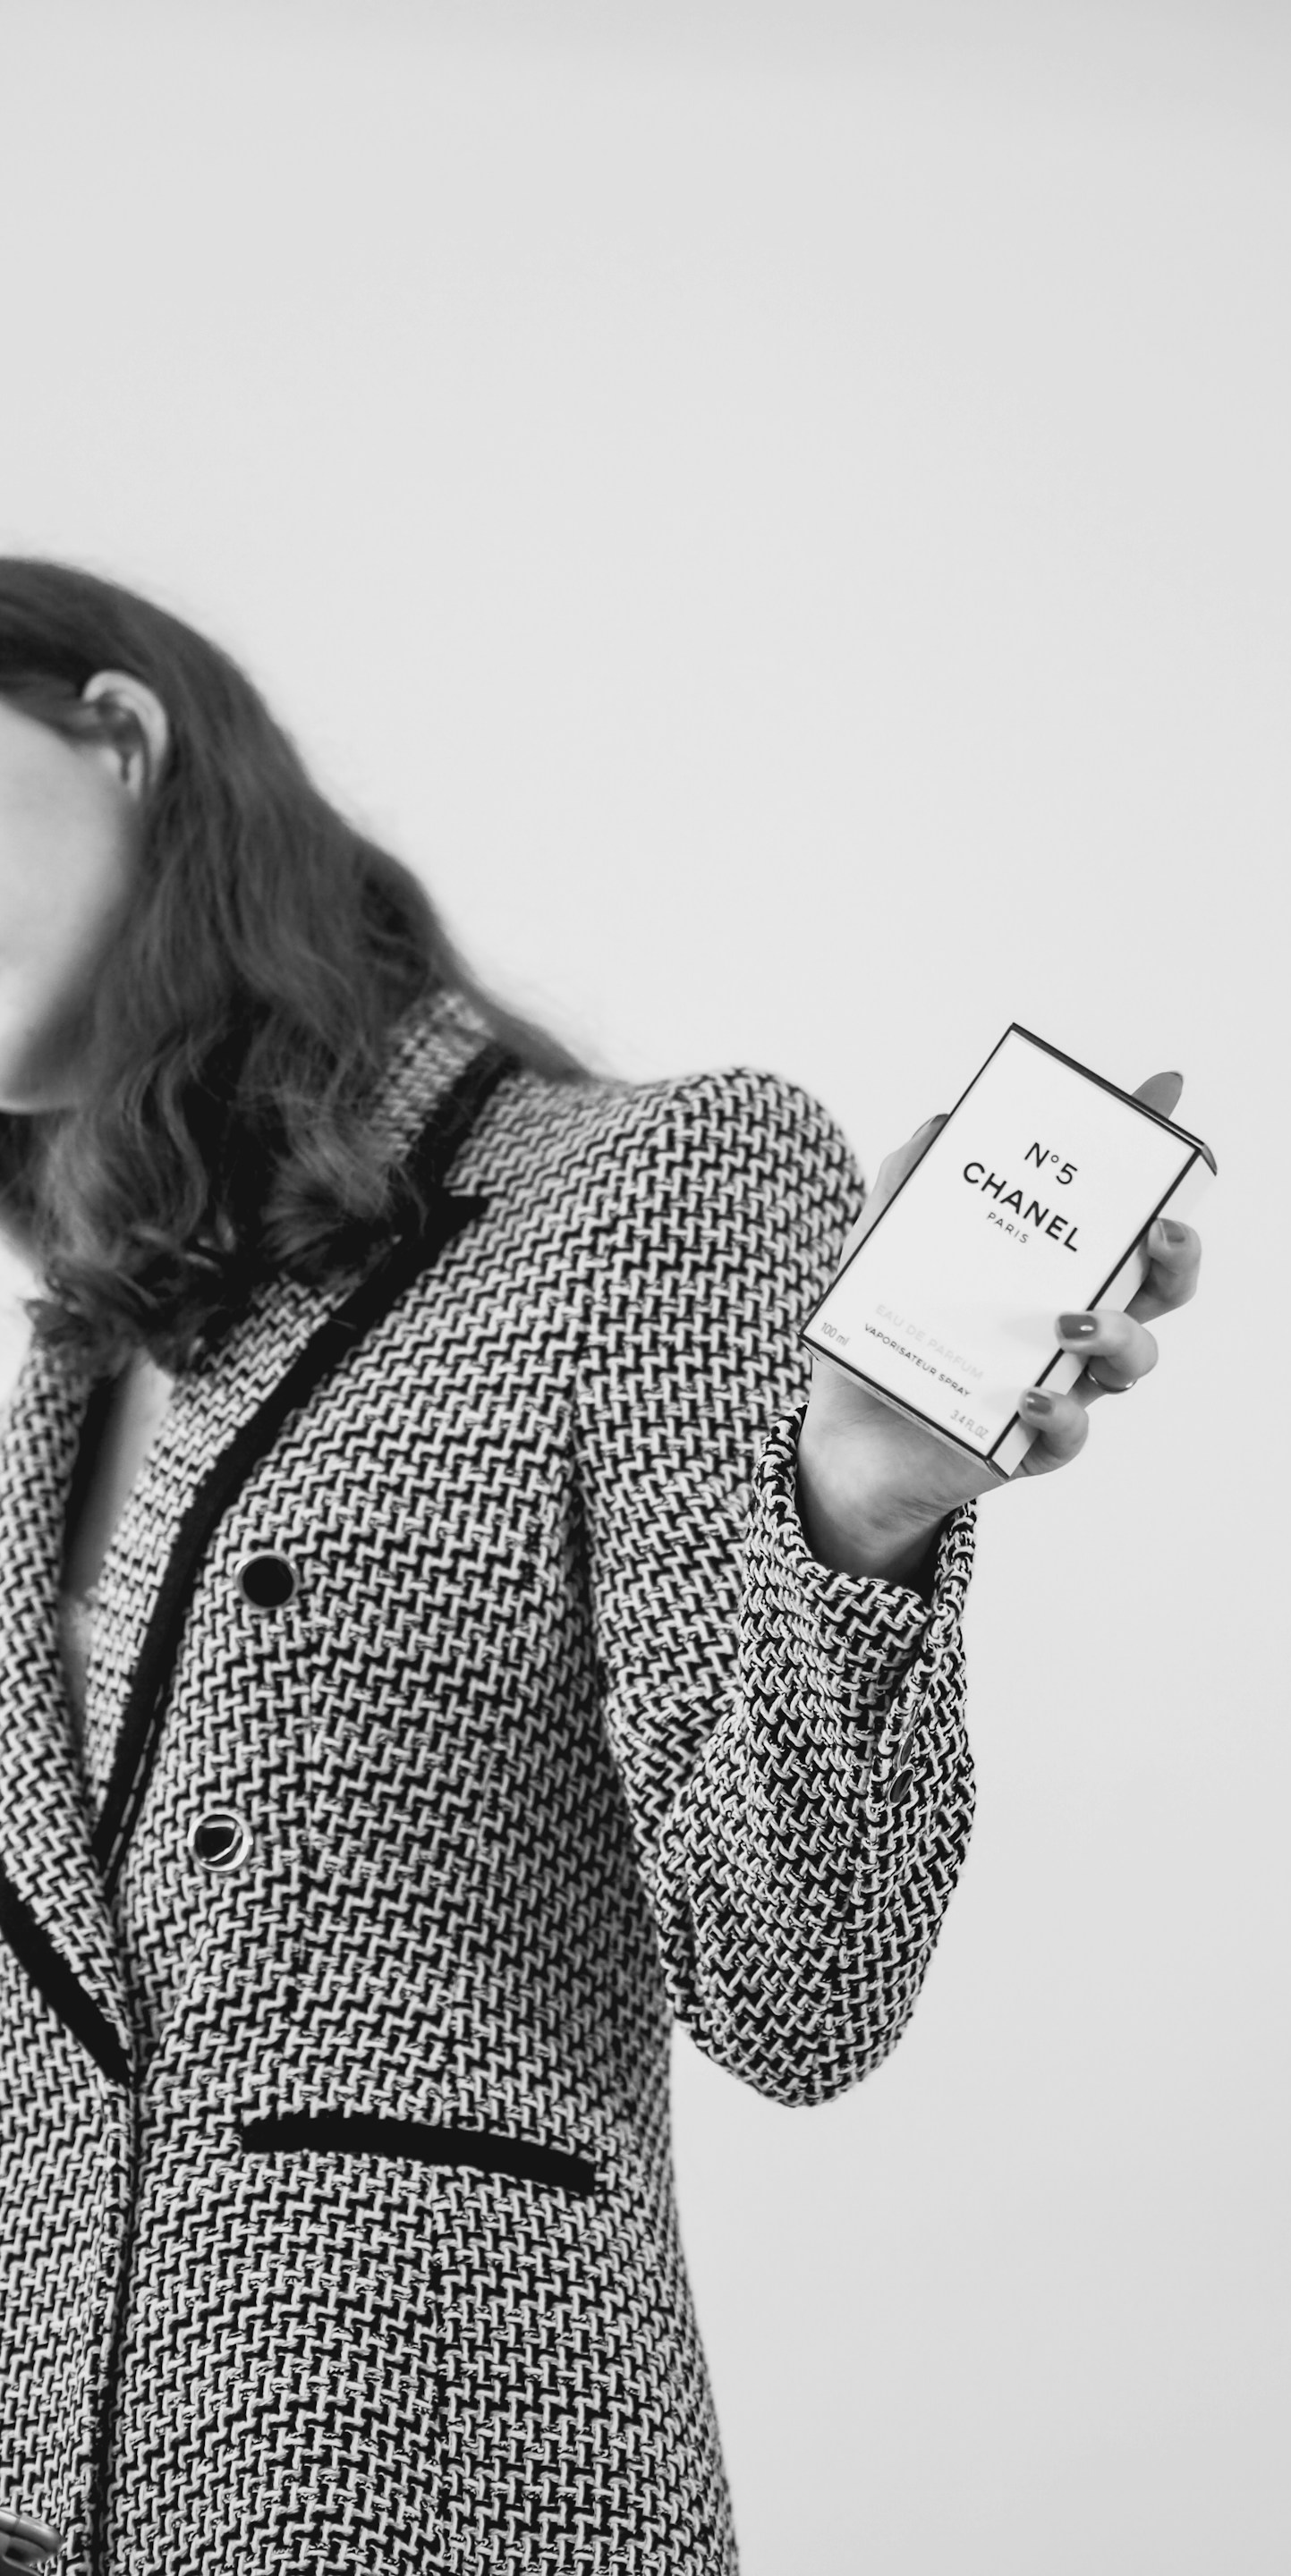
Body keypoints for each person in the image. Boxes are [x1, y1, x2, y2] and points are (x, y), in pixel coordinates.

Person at [0, 560, 1202, 2576]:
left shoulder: (650, 1191)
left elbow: (801, 1988)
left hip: (430, 2486)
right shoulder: (86, 1348)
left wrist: (867, 1502)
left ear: (117, 737)